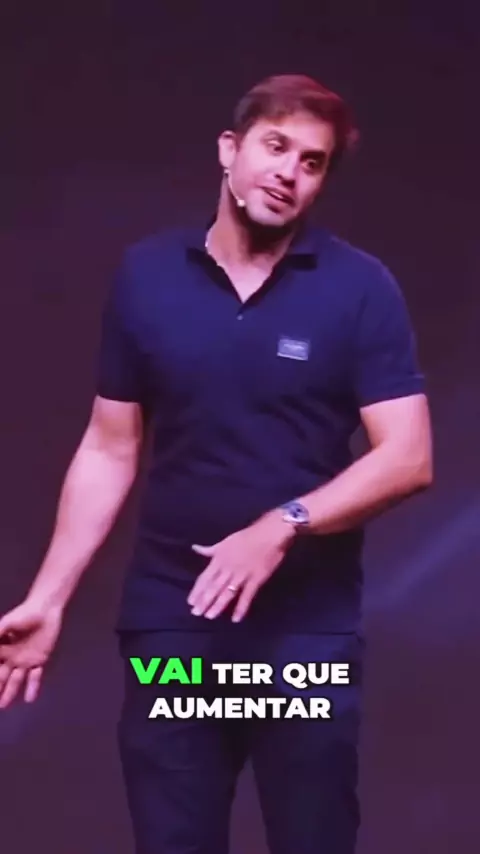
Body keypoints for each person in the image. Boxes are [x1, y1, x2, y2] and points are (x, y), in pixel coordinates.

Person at [0, 74, 432, 854]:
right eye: (276, 147)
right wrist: (49, 600)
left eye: (311, 162)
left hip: (303, 639)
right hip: (175, 628)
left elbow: (408, 456)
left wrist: (284, 523)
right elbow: (109, 446)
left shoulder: (360, 288)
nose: (289, 172)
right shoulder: (148, 275)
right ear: (230, 150)